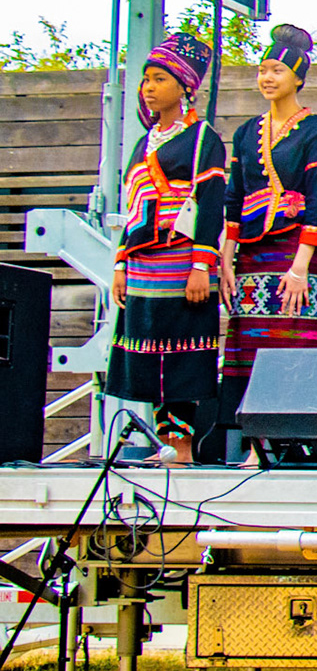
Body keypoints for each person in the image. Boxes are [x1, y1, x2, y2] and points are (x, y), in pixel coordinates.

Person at [106, 32, 226, 466]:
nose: (149, 88)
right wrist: (120, 263)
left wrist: (201, 265)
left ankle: (184, 447)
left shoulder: (203, 139)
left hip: (181, 261)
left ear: (185, 86)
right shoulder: (144, 142)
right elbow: (133, 208)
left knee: (181, 354)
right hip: (143, 265)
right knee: (149, 351)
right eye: (146, 80)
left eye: (159, 79)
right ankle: (166, 443)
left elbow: (210, 204)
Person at [217, 25, 317, 444]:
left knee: (290, 338)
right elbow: (234, 197)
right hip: (251, 254)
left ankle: (290, 441)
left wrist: (301, 267)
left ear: (299, 78)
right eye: (263, 70)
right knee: (250, 342)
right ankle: (255, 445)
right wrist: (225, 259)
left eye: (277, 71)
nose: (267, 78)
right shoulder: (246, 132)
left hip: (295, 251)